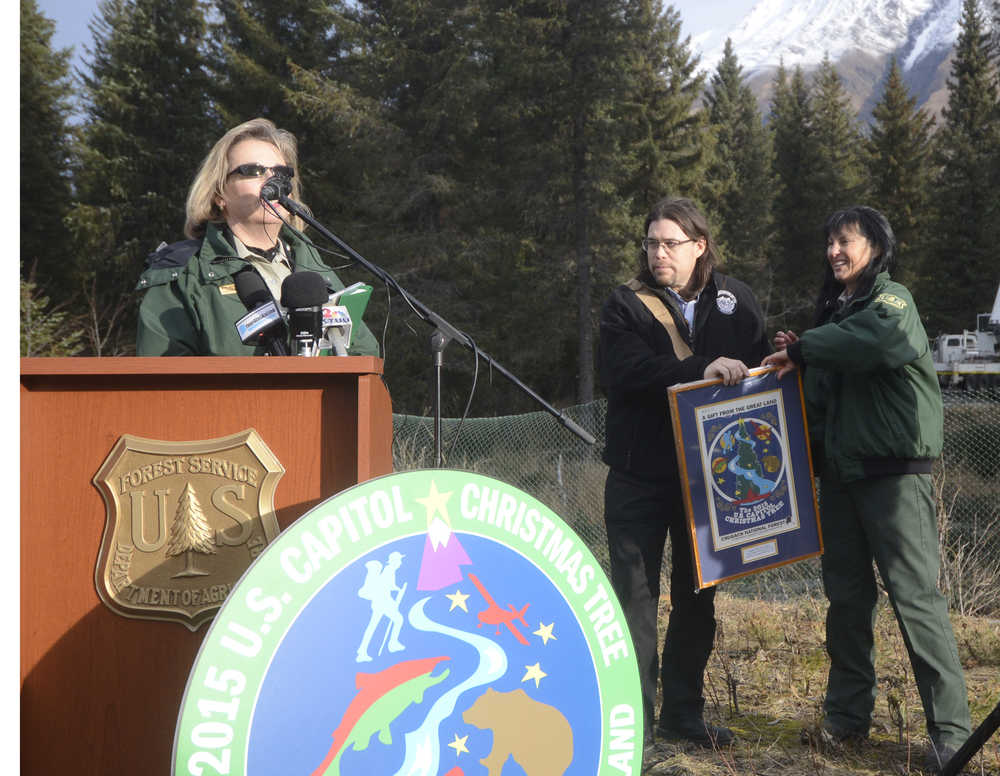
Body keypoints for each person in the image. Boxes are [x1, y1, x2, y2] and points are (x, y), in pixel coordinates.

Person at [763, 206, 971, 774]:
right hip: (842, 479)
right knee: (847, 602)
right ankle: (847, 719)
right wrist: (802, 363)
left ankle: (952, 733)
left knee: (916, 601)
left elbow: (878, 341)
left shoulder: (892, 301)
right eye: (828, 242)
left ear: (875, 248)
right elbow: (821, 404)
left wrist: (808, 347)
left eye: (845, 240)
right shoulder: (835, 316)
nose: (834, 251)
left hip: (894, 477)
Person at [598, 198, 770, 763]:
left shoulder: (737, 301)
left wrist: (782, 357)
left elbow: (759, 370)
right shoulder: (626, 303)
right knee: (634, 602)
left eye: (670, 242)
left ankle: (683, 716)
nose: (657, 253)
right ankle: (636, 728)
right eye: (651, 243)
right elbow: (625, 373)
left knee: (698, 599)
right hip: (638, 473)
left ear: (700, 245)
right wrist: (699, 369)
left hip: (709, 480)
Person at [135, 117, 379, 357]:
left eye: (281, 173)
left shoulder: (314, 267)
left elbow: (365, 354)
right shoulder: (183, 278)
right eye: (254, 171)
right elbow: (163, 386)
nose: (272, 181)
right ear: (220, 194)